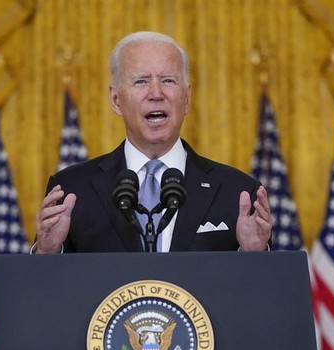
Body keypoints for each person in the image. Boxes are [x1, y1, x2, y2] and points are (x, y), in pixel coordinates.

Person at [33, 31, 272, 253]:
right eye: (141, 81)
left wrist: (254, 255)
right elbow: (47, 292)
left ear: (186, 99)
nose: (156, 93)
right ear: (116, 100)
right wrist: (48, 252)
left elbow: (263, 291)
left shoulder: (237, 193)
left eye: (168, 80)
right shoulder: (72, 190)